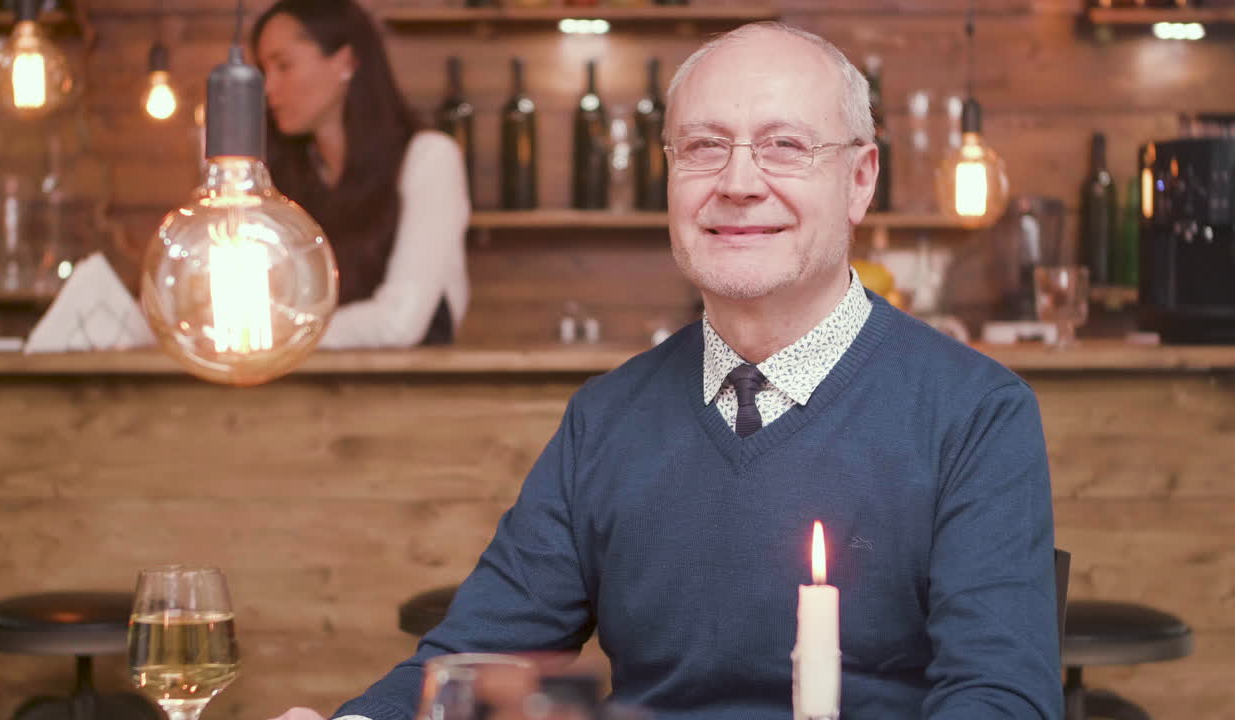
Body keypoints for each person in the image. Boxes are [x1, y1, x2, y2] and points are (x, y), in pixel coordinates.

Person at [276, 21, 1061, 720]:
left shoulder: (975, 413)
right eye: (704, 146)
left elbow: (1001, 698)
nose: (740, 181)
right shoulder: (606, 418)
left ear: (859, 180)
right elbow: (477, 653)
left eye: (785, 145)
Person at [253, 0, 470, 348]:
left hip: (414, 395)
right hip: (300, 395)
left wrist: (273, 336)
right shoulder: (282, 176)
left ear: (346, 62)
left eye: (284, 65)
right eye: (264, 70)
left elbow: (401, 321)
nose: (268, 89)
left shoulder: (428, 157)